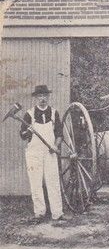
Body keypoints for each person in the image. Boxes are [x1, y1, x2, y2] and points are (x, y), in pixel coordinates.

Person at [19, 85, 66, 223]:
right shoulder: (29, 114)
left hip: (50, 151)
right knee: (36, 182)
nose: (42, 99)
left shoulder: (54, 113)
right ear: (36, 98)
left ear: (48, 97)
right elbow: (22, 135)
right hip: (34, 153)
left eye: (45, 96)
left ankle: (57, 213)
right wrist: (29, 132)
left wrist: (55, 146)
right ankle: (39, 213)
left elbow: (59, 134)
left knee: (53, 181)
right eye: (40, 96)